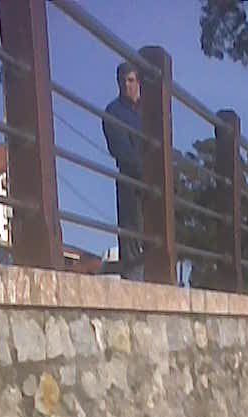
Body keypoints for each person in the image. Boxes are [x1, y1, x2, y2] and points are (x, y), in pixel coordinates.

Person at [102, 62, 144, 279]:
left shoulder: (149, 113)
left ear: (138, 82)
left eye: (131, 80)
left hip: (153, 188)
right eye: (123, 81)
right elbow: (121, 151)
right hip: (131, 183)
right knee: (132, 241)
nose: (127, 85)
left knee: (155, 240)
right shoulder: (113, 111)